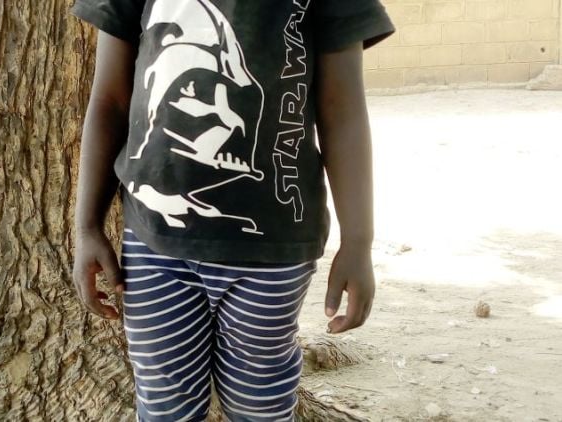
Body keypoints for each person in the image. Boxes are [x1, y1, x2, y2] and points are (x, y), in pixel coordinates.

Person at [70, 1, 395, 420]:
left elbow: (342, 109)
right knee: (165, 407)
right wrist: (87, 227)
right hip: (155, 245)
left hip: (272, 249)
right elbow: (110, 100)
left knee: (260, 405)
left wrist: (358, 241)